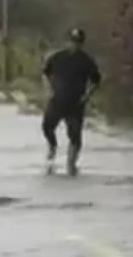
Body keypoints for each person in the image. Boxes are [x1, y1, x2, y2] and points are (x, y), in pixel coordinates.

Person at [41, 27, 102, 175]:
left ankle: (71, 163)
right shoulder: (57, 57)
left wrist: (87, 96)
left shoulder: (86, 61)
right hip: (57, 100)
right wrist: (48, 89)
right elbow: (45, 73)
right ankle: (52, 145)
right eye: (72, 41)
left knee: (75, 135)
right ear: (67, 41)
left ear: (82, 43)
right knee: (47, 126)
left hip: (75, 103)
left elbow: (96, 80)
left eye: (78, 42)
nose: (74, 45)